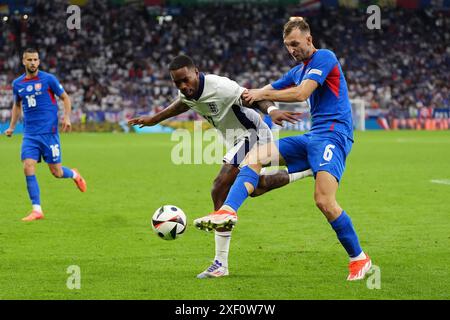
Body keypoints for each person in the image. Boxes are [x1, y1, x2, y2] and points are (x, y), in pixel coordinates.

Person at [194, 18, 372, 281]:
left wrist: (258, 94)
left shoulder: (324, 57)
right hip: (313, 137)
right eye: (288, 45)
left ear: (309, 40)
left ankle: (359, 259)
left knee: (324, 201)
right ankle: (227, 211)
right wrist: (249, 93)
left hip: (335, 137)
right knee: (255, 156)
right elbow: (267, 90)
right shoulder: (298, 70)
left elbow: (301, 94)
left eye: (295, 44)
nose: (292, 49)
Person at [129, 54, 312, 278]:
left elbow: (251, 98)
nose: (183, 86)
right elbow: (182, 104)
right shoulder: (186, 92)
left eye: (186, 79)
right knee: (256, 187)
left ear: (196, 72)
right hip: (237, 140)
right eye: (177, 82)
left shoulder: (220, 86)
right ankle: (306, 170)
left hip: (252, 134)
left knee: (219, 187)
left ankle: (220, 264)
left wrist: (272, 111)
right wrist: (153, 119)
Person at [5, 48, 87, 221]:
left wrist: (67, 118)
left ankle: (74, 174)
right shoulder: (17, 84)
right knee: (27, 165)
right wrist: (12, 127)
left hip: (49, 133)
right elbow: (17, 106)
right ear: (23, 61)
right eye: (29, 60)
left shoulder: (49, 79)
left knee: (56, 172)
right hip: (30, 134)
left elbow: (65, 98)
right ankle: (37, 209)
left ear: (39, 61)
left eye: (35, 60)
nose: (33, 63)